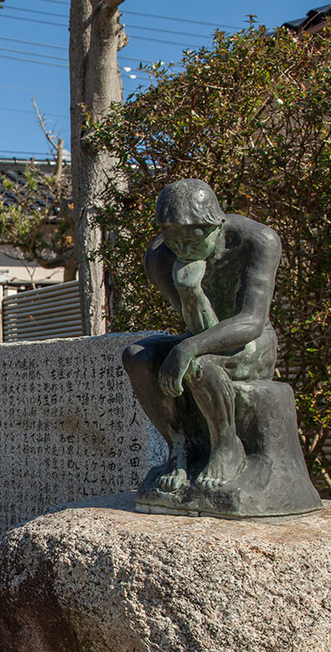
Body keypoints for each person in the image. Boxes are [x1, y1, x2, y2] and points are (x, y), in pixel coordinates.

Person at [122, 179, 280, 493]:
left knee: (200, 364)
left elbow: (251, 321)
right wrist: (189, 292)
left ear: (214, 226)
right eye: (173, 241)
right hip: (203, 335)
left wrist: (189, 348)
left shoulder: (257, 240)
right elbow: (198, 328)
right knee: (138, 356)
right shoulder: (160, 256)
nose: (182, 250)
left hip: (252, 342)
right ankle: (180, 447)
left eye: (191, 242)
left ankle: (226, 448)